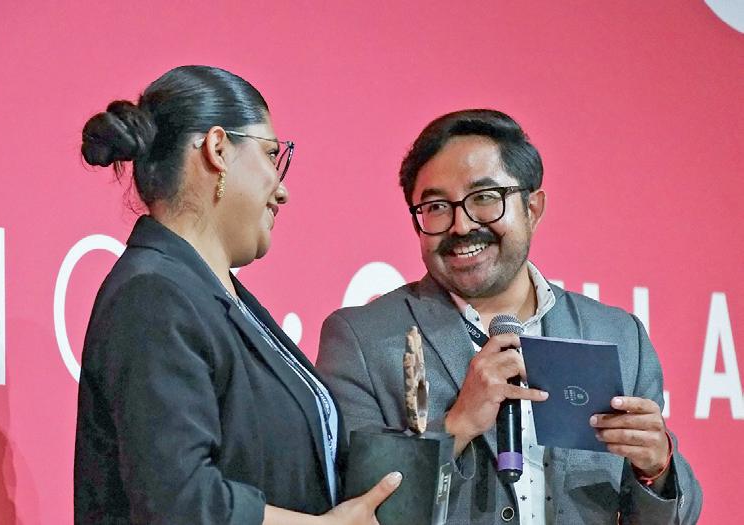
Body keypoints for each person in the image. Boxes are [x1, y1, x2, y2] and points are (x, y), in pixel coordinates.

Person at [316, 109, 702, 524]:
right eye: (437, 206)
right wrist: (457, 425)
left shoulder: (618, 335)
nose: (461, 226)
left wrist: (657, 468)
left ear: (533, 208)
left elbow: (673, 515)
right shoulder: (363, 339)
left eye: (485, 198)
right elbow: (356, 509)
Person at [73, 65, 400, 525]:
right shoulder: (152, 295)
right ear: (218, 149)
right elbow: (180, 502)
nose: (282, 191)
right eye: (271, 155)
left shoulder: (212, 295)